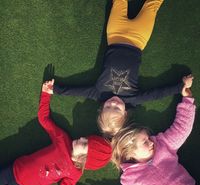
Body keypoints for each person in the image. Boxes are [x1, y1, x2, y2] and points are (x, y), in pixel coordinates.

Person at [53, 0, 185, 138]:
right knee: (152, 5)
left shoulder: (99, 93)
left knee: (119, 2)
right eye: (117, 108)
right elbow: (157, 93)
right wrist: (180, 87)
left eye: (108, 107)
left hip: (115, 34)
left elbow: (75, 91)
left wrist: (55, 89)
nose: (113, 103)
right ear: (125, 113)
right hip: (139, 38)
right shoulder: (132, 99)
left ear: (101, 107)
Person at [0, 79, 112, 185]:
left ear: (85, 158)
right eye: (85, 138)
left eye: (84, 143)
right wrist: (46, 94)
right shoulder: (62, 139)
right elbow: (44, 119)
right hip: (14, 170)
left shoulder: (75, 173)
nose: (81, 138)